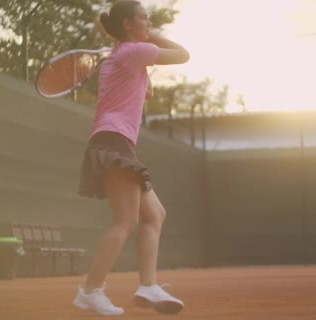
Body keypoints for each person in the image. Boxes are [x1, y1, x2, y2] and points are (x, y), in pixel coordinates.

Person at [73, 0, 190, 316]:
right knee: (126, 221)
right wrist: (153, 41)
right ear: (127, 24)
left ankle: (148, 286)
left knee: (155, 215)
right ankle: (90, 291)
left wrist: (144, 65)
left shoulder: (122, 57)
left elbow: (146, 92)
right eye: (144, 19)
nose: (149, 24)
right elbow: (183, 55)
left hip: (115, 142)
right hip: (113, 141)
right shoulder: (131, 52)